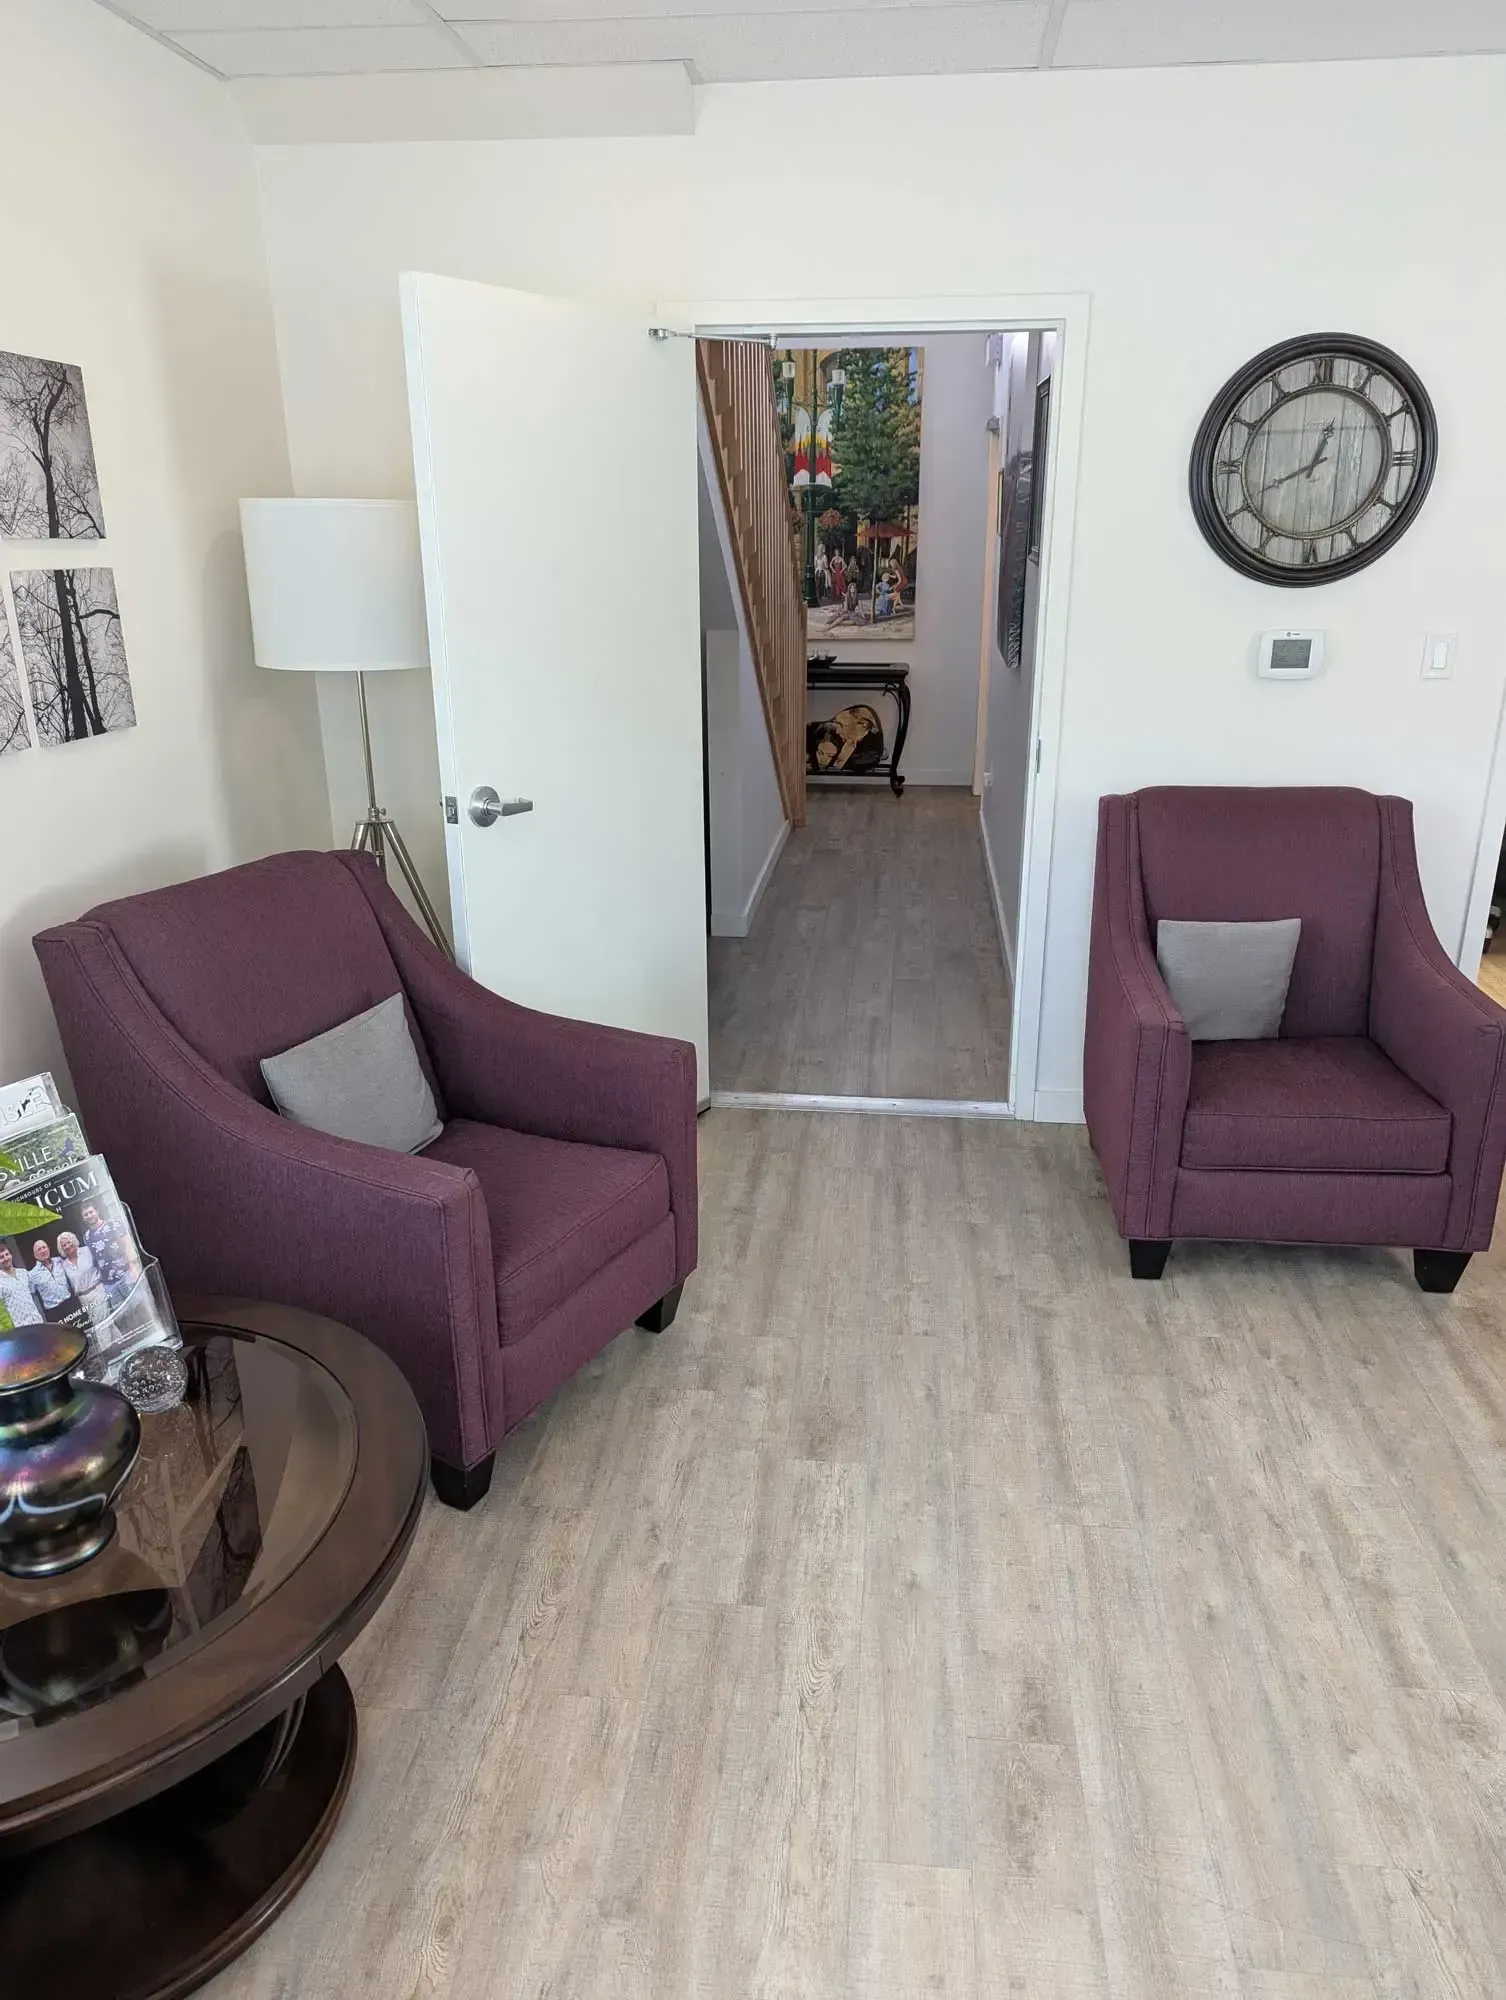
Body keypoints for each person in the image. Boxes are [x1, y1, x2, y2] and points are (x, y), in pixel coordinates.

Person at [57, 1231, 103, 1321]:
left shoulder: (87, 1250)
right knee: (103, 1323)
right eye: (64, 1245)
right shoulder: (63, 1265)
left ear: (74, 1241)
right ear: (61, 1248)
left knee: (100, 1323)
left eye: (69, 1242)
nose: (67, 1246)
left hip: (97, 1291)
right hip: (82, 1298)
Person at [27, 1239, 76, 1322]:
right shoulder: (32, 1274)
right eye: (39, 1249)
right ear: (35, 1255)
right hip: (53, 1312)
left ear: (48, 1249)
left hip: (70, 1304)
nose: (43, 1251)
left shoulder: (59, 1261)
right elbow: (33, 1296)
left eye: (44, 1247)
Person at [0, 1243, 42, 1327]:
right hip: (19, 1326)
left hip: (37, 1320)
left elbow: (32, 1293)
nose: (6, 1258)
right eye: (1, 1257)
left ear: (11, 1255)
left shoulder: (23, 1272)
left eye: (7, 1254)